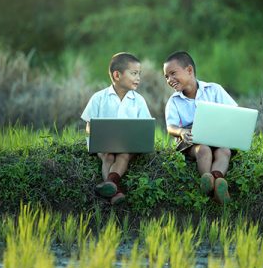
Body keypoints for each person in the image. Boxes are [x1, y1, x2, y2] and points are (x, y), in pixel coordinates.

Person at [163, 51, 237, 204]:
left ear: (189, 70)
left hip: (216, 135)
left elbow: (234, 111)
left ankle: (217, 180)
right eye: (166, 77)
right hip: (190, 140)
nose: (169, 79)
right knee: (203, 149)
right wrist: (181, 132)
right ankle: (208, 181)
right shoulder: (174, 101)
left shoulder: (214, 90)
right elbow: (170, 126)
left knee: (224, 151)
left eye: (172, 73)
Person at [81, 52, 152, 205]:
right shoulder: (98, 98)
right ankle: (116, 191)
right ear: (117, 75)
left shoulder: (138, 100)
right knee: (107, 156)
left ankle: (111, 185)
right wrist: (95, 134)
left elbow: (145, 126)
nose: (138, 78)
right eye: (133, 74)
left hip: (128, 145)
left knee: (123, 155)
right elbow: (89, 125)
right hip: (104, 144)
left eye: (139, 74)